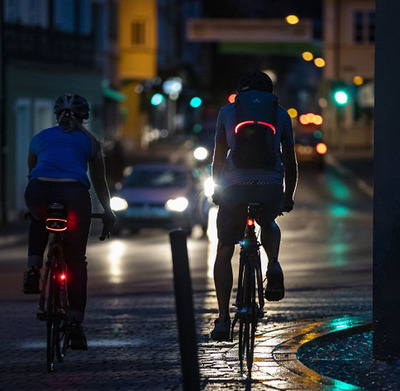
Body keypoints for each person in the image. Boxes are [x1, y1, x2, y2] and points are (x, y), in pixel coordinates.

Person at [23, 93, 117, 350]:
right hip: (74, 195)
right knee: (76, 260)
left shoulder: (40, 137)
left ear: (56, 116)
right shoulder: (90, 142)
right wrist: (108, 212)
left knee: (38, 217)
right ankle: (75, 325)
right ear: (84, 118)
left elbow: (33, 173)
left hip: (39, 190)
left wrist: (34, 206)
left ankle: (32, 270)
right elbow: (100, 183)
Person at [210, 71, 298, 341]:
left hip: (235, 188)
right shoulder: (281, 114)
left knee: (225, 248)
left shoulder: (227, 112)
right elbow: (291, 162)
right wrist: (287, 197)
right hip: (271, 186)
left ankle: (223, 320)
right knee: (269, 221)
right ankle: (273, 264)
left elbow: (218, 158)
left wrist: (217, 191)